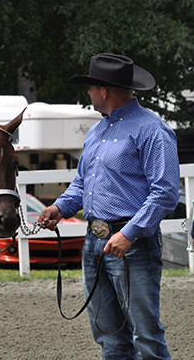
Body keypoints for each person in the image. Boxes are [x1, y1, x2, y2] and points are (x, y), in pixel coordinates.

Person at [38, 53, 180, 359]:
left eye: (90, 87)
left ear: (104, 90)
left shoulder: (153, 130)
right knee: (108, 336)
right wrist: (59, 208)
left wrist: (128, 234)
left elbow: (165, 192)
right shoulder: (97, 132)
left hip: (132, 245)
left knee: (146, 336)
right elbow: (81, 184)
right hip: (95, 243)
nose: (88, 93)